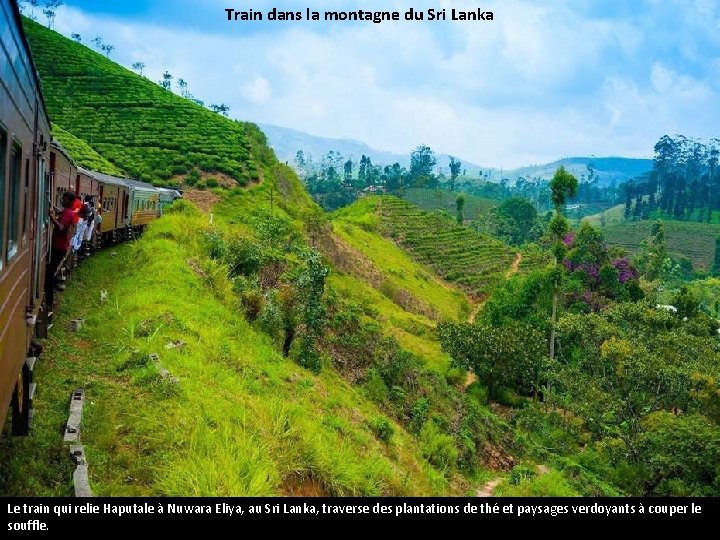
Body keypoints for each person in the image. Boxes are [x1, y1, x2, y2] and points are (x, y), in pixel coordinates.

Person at [46, 191, 77, 308]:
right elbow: (60, 211)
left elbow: (61, 227)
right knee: (50, 271)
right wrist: (50, 205)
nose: (62, 201)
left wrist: (51, 217)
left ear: (69, 201)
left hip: (59, 247)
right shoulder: (67, 211)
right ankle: (50, 300)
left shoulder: (69, 214)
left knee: (49, 273)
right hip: (59, 246)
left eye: (64, 199)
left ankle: (50, 302)